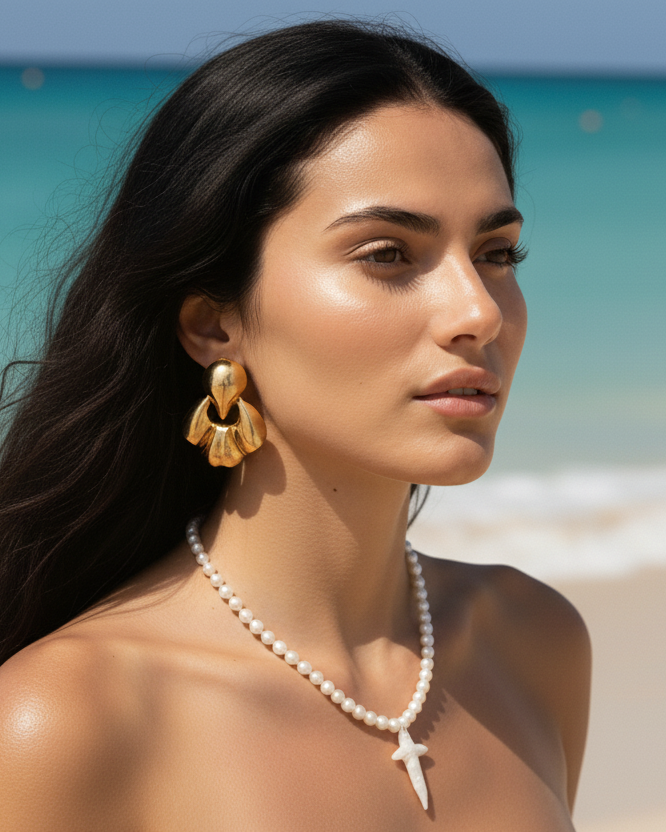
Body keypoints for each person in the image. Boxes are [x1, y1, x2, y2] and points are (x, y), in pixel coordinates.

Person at [0, 20, 590, 830]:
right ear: (214, 324)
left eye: (497, 254)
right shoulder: (64, 722)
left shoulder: (534, 643)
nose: (479, 312)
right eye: (387, 253)